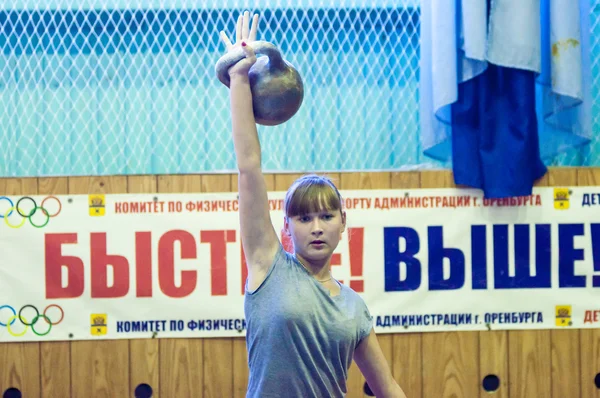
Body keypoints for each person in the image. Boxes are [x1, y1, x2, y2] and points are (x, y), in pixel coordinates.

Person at [219, 11, 407, 398]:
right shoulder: (267, 265)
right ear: (286, 228)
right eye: (304, 218)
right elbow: (249, 165)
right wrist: (239, 78)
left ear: (343, 224)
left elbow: (386, 386)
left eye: (326, 216)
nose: (317, 227)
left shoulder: (354, 309)